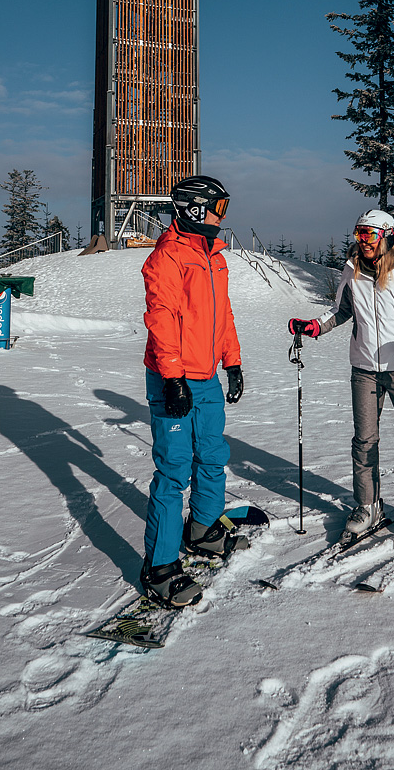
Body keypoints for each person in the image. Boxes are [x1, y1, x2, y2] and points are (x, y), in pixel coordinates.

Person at [289, 210, 394, 543]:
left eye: (369, 234)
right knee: (364, 441)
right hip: (364, 368)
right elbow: (341, 310)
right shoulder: (352, 270)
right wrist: (315, 326)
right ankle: (368, 505)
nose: (362, 241)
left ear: (387, 236)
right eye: (358, 234)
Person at [140, 175, 246, 607]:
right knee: (173, 470)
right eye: (219, 208)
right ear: (195, 208)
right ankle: (160, 566)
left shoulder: (213, 255)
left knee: (213, 454)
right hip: (176, 377)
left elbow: (223, 314)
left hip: (207, 377)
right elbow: (161, 317)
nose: (222, 216)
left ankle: (202, 529)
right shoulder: (167, 256)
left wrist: (232, 361)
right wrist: (172, 378)